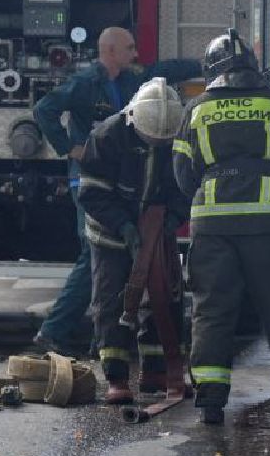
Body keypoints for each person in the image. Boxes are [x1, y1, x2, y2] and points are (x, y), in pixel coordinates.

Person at [174, 28, 270, 426]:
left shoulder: (197, 108)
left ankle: (210, 401)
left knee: (212, 310)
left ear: (211, 70)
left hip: (211, 224)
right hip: (266, 223)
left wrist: (211, 192)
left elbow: (182, 172)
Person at [30, 27, 201, 357]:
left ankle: (101, 342)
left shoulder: (131, 79)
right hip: (91, 181)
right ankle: (53, 331)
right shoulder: (84, 83)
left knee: (115, 260)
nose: (135, 54)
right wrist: (70, 148)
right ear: (108, 50)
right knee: (93, 256)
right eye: (129, 48)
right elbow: (44, 110)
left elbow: (164, 70)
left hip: (121, 183)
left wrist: (205, 65)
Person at [76, 78, 192, 405]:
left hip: (157, 234)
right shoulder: (107, 137)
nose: (156, 144)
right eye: (149, 139)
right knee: (111, 303)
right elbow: (92, 194)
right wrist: (125, 227)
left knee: (165, 298)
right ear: (133, 119)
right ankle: (116, 377)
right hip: (111, 236)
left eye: (162, 141)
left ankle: (158, 372)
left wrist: (171, 221)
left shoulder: (179, 137)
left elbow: (185, 186)